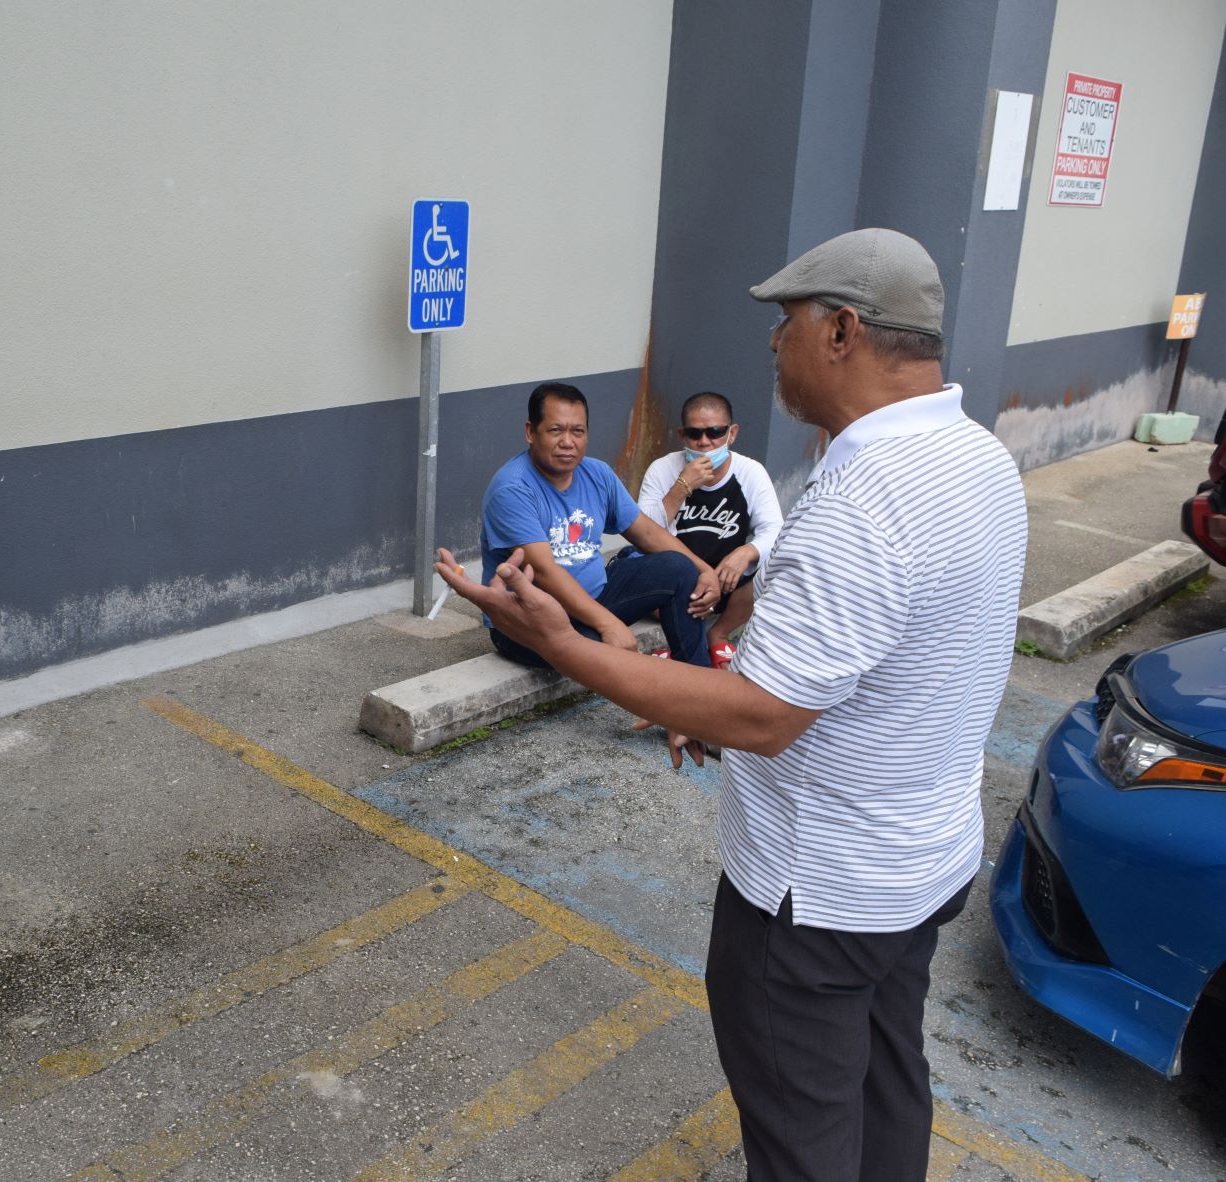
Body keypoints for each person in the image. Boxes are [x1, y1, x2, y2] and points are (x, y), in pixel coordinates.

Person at [438, 228, 1026, 1182]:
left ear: (839, 330)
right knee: (886, 1084)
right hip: (919, 866)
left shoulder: (866, 496)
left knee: (802, 1137)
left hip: (816, 900)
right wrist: (719, 681)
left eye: (784, 323)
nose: (771, 344)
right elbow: (875, 658)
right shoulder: (976, 457)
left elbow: (761, 712)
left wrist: (558, 644)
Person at [480, 381, 719, 671]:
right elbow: (545, 571)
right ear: (531, 432)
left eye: (577, 431)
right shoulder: (512, 488)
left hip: (595, 599)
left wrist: (704, 570)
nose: (568, 442)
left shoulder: (597, 473)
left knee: (679, 568)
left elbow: (645, 531)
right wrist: (608, 624)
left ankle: (696, 678)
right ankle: (657, 686)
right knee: (593, 644)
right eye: (556, 430)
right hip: (528, 622)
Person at [637, 392, 782, 668]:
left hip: (728, 579)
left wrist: (746, 552)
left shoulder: (750, 472)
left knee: (774, 567)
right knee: (649, 568)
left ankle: (718, 633)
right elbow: (642, 531)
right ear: (682, 434)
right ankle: (681, 644)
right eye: (695, 434)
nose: (705, 443)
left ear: (732, 433)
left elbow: (775, 529)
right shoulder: (663, 469)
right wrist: (682, 487)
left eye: (715, 432)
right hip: (678, 580)